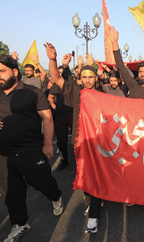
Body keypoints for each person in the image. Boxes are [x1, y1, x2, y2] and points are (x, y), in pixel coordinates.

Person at [0, 54, 63, 242]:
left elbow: (47, 118)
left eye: (2, 71)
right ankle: (20, 223)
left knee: (42, 181)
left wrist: (47, 144)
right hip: (4, 153)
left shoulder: (32, 92)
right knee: (11, 192)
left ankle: (56, 196)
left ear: (14, 71)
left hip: (31, 150)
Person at [44, 43, 102, 234]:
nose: (87, 80)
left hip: (99, 142)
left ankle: (95, 208)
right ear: (80, 78)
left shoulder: (104, 95)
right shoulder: (76, 93)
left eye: (90, 77)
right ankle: (92, 199)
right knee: (84, 175)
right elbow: (56, 78)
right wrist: (53, 60)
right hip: (80, 142)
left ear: (96, 78)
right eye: (84, 77)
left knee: (97, 174)